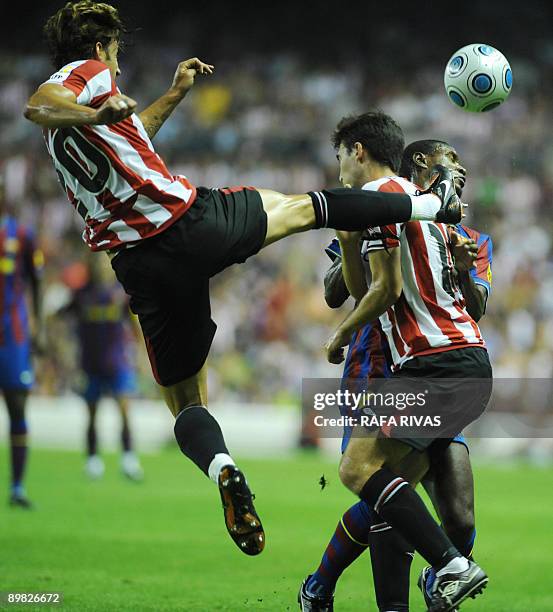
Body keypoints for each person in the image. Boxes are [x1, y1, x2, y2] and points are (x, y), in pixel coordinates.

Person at [24, 1, 461, 557]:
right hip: (185, 223)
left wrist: (174, 94)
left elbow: (130, 137)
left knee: (184, 401)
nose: (117, 63)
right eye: (116, 52)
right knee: (300, 207)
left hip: (139, 264)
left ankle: (224, 467)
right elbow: (38, 105)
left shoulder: (74, 129)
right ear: (101, 47)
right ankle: (430, 205)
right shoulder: (81, 76)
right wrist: (93, 111)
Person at [302, 112, 491, 611]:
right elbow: (342, 289)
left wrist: (465, 270)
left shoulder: (463, 236)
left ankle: (449, 567)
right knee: (384, 488)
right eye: (449, 164)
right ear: (420, 169)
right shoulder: (386, 204)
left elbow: (460, 303)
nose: (458, 173)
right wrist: (348, 239)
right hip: (388, 368)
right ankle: (383, 591)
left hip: (432, 362)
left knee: (392, 487)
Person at [59, 254, 143, 481]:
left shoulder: (120, 293)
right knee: (92, 413)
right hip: (91, 363)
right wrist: (63, 348)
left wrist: (140, 353)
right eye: (97, 264)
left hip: (117, 362)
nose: (101, 267)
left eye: (104, 263)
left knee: (125, 410)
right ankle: (93, 459)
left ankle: (128, 459)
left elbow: (134, 322)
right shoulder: (81, 294)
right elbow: (60, 317)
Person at [0, 177, 45, 508]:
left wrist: (40, 327)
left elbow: (36, 282)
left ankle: (17, 487)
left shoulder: (22, 235)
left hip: (12, 334)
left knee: (17, 405)